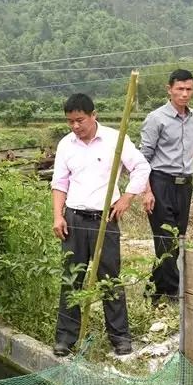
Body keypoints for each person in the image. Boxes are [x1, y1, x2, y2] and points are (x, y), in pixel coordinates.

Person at [50, 93, 150, 357]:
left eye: (79, 120)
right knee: (71, 278)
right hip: (73, 219)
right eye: (70, 121)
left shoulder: (115, 140)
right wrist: (57, 216)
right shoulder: (66, 145)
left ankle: (120, 337)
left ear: (93, 115)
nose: (75, 126)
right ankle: (65, 338)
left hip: (105, 218)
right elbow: (60, 183)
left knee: (109, 278)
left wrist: (128, 197)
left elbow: (141, 167)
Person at [139, 69, 193, 305]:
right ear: (169, 89)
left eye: (189, 89)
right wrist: (147, 191)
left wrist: (189, 156)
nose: (184, 94)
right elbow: (143, 159)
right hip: (161, 182)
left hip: (184, 185)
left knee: (178, 238)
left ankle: (153, 290)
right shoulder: (156, 118)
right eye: (180, 89)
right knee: (164, 238)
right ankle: (173, 293)